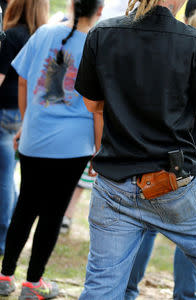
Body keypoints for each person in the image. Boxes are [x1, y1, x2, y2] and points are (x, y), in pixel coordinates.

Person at [74, 1, 196, 299]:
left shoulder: (102, 32)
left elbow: (92, 104)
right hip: (171, 182)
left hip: (114, 181)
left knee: (102, 286)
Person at [124, 1, 196, 299]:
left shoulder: (171, 51)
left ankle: (128, 290)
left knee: (146, 230)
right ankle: (185, 296)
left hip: (160, 158)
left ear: (183, 14)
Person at [0, 1, 104, 298]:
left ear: (72, 4)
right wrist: (99, 148)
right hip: (73, 146)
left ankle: (4, 276)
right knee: (52, 214)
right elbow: (97, 108)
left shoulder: (43, 33)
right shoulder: (98, 46)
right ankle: (33, 284)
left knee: (25, 207)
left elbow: (21, 81)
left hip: (34, 137)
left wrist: (25, 122)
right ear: (99, 10)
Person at [0, 0, 47, 258]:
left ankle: (3, 236)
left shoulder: (12, 35)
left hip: (4, 110)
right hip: (22, 111)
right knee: (8, 177)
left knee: (4, 178)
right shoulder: (38, 36)